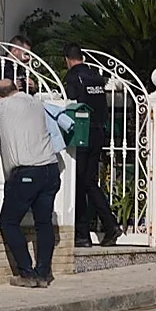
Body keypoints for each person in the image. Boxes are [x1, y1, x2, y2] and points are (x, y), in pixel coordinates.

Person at [0, 78, 61, 287]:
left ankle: (26, 273)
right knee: (44, 223)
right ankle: (43, 273)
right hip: (50, 168)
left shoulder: (3, 106)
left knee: (9, 222)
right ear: (16, 88)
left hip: (27, 171)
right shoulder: (36, 103)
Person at [63, 44, 121, 248]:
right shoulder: (95, 76)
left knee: (79, 182)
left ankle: (83, 234)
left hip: (81, 132)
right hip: (98, 132)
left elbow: (70, 103)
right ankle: (108, 225)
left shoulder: (73, 77)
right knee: (87, 182)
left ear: (67, 59)